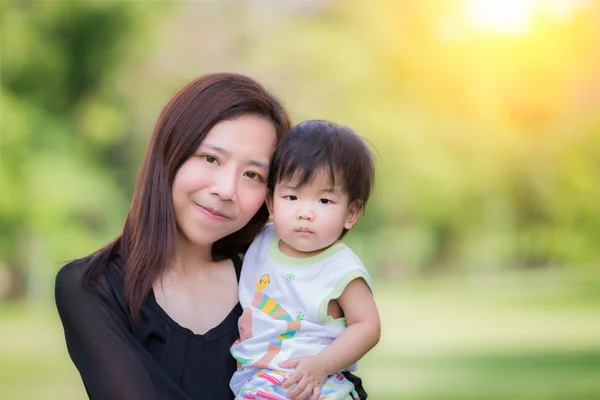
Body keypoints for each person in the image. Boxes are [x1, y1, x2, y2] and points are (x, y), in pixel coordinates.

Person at [54, 74, 367, 400]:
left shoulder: (267, 274)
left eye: (252, 175)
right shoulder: (91, 287)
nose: (226, 190)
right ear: (170, 152)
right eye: (211, 158)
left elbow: (341, 384)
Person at [230, 120, 381, 400]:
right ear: (271, 203)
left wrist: (322, 364)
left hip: (320, 383)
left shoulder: (340, 267)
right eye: (292, 196)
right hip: (260, 381)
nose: (305, 213)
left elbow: (367, 327)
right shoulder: (259, 241)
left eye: (324, 201)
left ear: (351, 212)